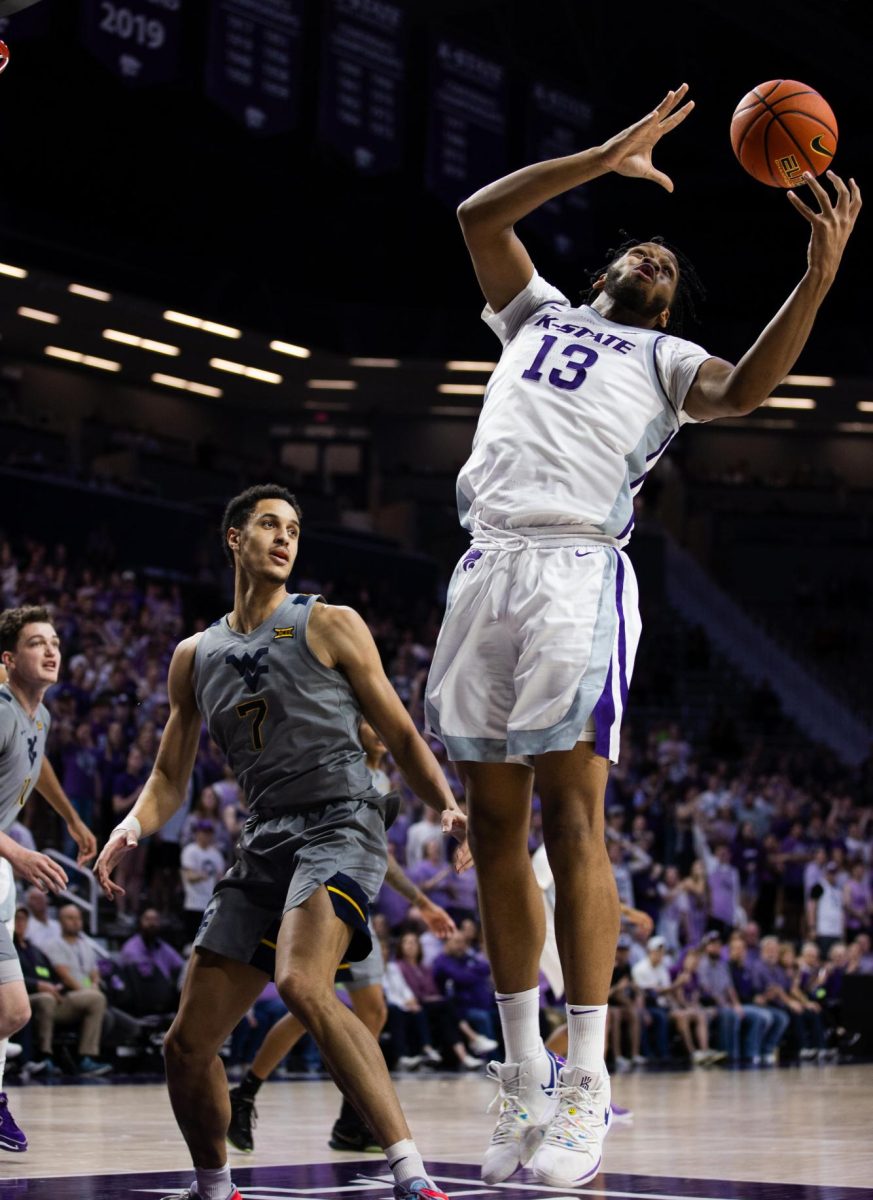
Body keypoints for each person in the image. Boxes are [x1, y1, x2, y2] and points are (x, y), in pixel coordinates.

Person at [424, 81, 861, 1187]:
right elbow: (480, 217)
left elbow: (752, 387)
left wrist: (816, 280)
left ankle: (586, 1080)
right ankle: (521, 1076)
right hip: (485, 566)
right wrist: (604, 156)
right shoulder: (535, 314)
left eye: (668, 265)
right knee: (490, 827)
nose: (654, 258)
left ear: (664, 310)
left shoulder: (667, 364)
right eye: (641, 248)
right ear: (603, 273)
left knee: (572, 818)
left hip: (576, 570)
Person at [95, 484, 469, 1200]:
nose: (284, 537)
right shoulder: (194, 655)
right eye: (268, 524)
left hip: (341, 821)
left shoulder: (329, 623)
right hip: (262, 840)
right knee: (186, 1044)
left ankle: (410, 1173)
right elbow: (170, 775)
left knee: (302, 982)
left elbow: (395, 728)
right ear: (233, 538)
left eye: (293, 528)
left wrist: (445, 803)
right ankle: (215, 1187)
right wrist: (129, 827)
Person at [0, 606, 97, 1152]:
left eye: (55, 641)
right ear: (9, 660)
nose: (52, 650)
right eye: (37, 643)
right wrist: (18, 853)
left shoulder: (40, 716)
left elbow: (38, 765)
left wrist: (72, 818)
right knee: (10, 1008)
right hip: (3, 858)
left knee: (11, 1009)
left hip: (1, 867)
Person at [13, 904, 106, 1076]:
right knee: (46, 999)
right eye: (17, 918)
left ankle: (86, 1058)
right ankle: (45, 1056)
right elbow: (8, 977)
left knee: (96, 999)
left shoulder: (35, 950)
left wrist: (56, 986)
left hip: (53, 1000)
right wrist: (39, 986)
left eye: (24, 919)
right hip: (23, 1000)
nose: (21, 922)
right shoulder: (8, 949)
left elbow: (55, 977)